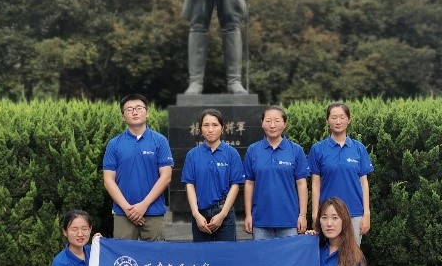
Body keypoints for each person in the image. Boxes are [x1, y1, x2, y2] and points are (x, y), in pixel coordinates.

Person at [103, 94, 174, 240]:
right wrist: (127, 209)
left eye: (139, 108)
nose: (134, 112)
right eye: (129, 110)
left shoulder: (160, 141)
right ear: (123, 117)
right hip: (123, 213)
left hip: (153, 211)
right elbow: (108, 180)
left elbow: (166, 176)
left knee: (155, 254)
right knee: (124, 253)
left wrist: (143, 205)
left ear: (147, 113)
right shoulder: (114, 144)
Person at [309, 102, 374, 242]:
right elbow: (315, 184)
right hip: (328, 215)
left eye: (342, 117)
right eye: (334, 117)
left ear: (349, 119)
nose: (338, 121)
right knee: (328, 252)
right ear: (327, 121)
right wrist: (315, 214)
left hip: (354, 212)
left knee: (352, 254)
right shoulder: (318, 149)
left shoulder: (358, 148)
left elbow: (364, 183)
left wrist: (366, 214)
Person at [243, 105, 310, 239]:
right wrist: (248, 215)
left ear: (284, 124)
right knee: (263, 253)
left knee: (289, 253)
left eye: (277, 121)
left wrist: (302, 215)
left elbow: (302, 184)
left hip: (289, 220)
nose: (272, 125)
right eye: (268, 121)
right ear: (262, 123)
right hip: (260, 220)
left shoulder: (295, 150)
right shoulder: (253, 150)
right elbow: (249, 183)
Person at [182, 109, 245, 241]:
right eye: (206, 125)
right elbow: (189, 184)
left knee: (226, 252)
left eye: (215, 125)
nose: (210, 129)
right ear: (200, 129)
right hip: (200, 215)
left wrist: (222, 215)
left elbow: (235, 185)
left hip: (224, 213)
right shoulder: (192, 155)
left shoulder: (231, 153)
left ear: (222, 128)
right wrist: (196, 214)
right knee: (202, 253)